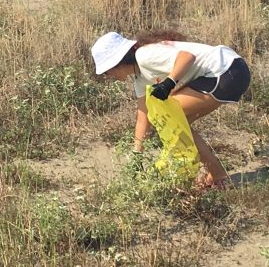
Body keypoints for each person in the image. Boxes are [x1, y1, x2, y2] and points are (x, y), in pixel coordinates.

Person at [91, 30, 251, 189]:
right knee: (180, 125)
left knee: (168, 117)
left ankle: (214, 174)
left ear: (117, 62)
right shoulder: (140, 78)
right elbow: (143, 116)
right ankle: (216, 175)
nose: (107, 76)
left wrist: (169, 83)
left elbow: (187, 57)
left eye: (106, 71)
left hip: (227, 71)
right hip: (231, 71)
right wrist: (137, 154)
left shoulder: (144, 56)